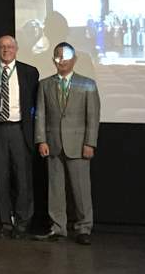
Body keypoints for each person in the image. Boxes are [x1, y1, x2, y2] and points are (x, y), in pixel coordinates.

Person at [34, 42, 100, 245]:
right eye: (57, 56)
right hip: (53, 144)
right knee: (55, 189)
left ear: (74, 59)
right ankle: (58, 228)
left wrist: (90, 143)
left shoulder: (87, 84)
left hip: (79, 145)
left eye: (65, 56)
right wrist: (41, 140)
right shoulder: (45, 84)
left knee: (80, 190)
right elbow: (40, 115)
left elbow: (93, 116)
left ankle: (83, 228)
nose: (61, 60)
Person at [0, 35, 39, 238]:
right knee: (0, 179)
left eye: (9, 46)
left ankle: (22, 223)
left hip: (20, 130)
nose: (6, 50)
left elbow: (37, 103)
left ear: (16, 49)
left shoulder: (29, 72)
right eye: (2, 47)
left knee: (23, 178)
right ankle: (5, 222)